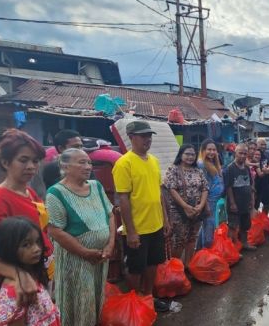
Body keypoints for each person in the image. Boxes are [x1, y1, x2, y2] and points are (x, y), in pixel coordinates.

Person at [0, 129, 54, 304]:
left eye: (35, 161)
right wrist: (18, 275)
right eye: (23, 160)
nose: (31, 167)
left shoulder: (30, 192)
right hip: (16, 286)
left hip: (36, 275)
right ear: (5, 162)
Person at [45, 148, 115, 325]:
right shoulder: (56, 193)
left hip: (100, 257)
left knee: (96, 297)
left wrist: (110, 244)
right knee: (79, 303)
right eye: (81, 162)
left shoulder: (96, 186)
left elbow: (111, 214)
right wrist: (85, 252)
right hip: (76, 261)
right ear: (65, 166)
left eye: (89, 162)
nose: (88, 166)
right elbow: (55, 230)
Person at [112, 120, 172, 312]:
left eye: (149, 135)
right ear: (131, 138)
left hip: (156, 225)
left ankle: (148, 297)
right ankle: (135, 301)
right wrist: (130, 232)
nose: (148, 139)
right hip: (137, 228)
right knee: (136, 268)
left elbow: (158, 193)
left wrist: (166, 220)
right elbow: (123, 198)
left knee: (153, 263)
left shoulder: (153, 161)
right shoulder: (124, 163)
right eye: (143, 135)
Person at [0, 217, 60, 326]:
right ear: (7, 248)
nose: (37, 248)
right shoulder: (16, 290)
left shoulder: (30, 274)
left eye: (37, 242)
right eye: (26, 245)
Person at [163, 144, 209, 264]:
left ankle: (189, 265)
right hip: (179, 212)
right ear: (181, 155)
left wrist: (201, 205)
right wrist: (186, 206)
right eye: (187, 154)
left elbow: (205, 188)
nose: (190, 157)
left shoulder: (198, 170)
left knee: (192, 238)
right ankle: (175, 267)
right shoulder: (173, 170)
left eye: (193, 154)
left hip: (196, 211)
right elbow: (171, 189)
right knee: (179, 240)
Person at [223, 144, 256, 250]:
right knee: (233, 226)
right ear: (235, 153)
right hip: (235, 204)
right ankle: (231, 249)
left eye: (245, 153)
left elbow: (250, 185)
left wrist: (252, 200)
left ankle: (244, 243)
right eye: (240, 153)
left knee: (245, 225)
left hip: (245, 203)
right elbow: (228, 187)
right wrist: (232, 203)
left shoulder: (246, 168)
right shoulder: (230, 168)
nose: (242, 155)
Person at [197, 139, 225, 248]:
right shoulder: (201, 165)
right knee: (209, 225)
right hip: (208, 201)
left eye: (214, 150)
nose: (212, 152)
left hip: (214, 201)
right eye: (209, 149)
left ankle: (199, 251)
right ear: (203, 150)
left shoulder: (212, 163)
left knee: (205, 227)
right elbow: (202, 187)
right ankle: (206, 253)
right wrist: (206, 205)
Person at [254, 138, 269, 214]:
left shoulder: (267, 156)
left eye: (265, 144)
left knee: (267, 204)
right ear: (257, 145)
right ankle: (255, 222)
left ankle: (264, 220)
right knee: (255, 205)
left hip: (266, 183)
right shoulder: (254, 155)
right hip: (256, 184)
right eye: (261, 144)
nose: (263, 146)